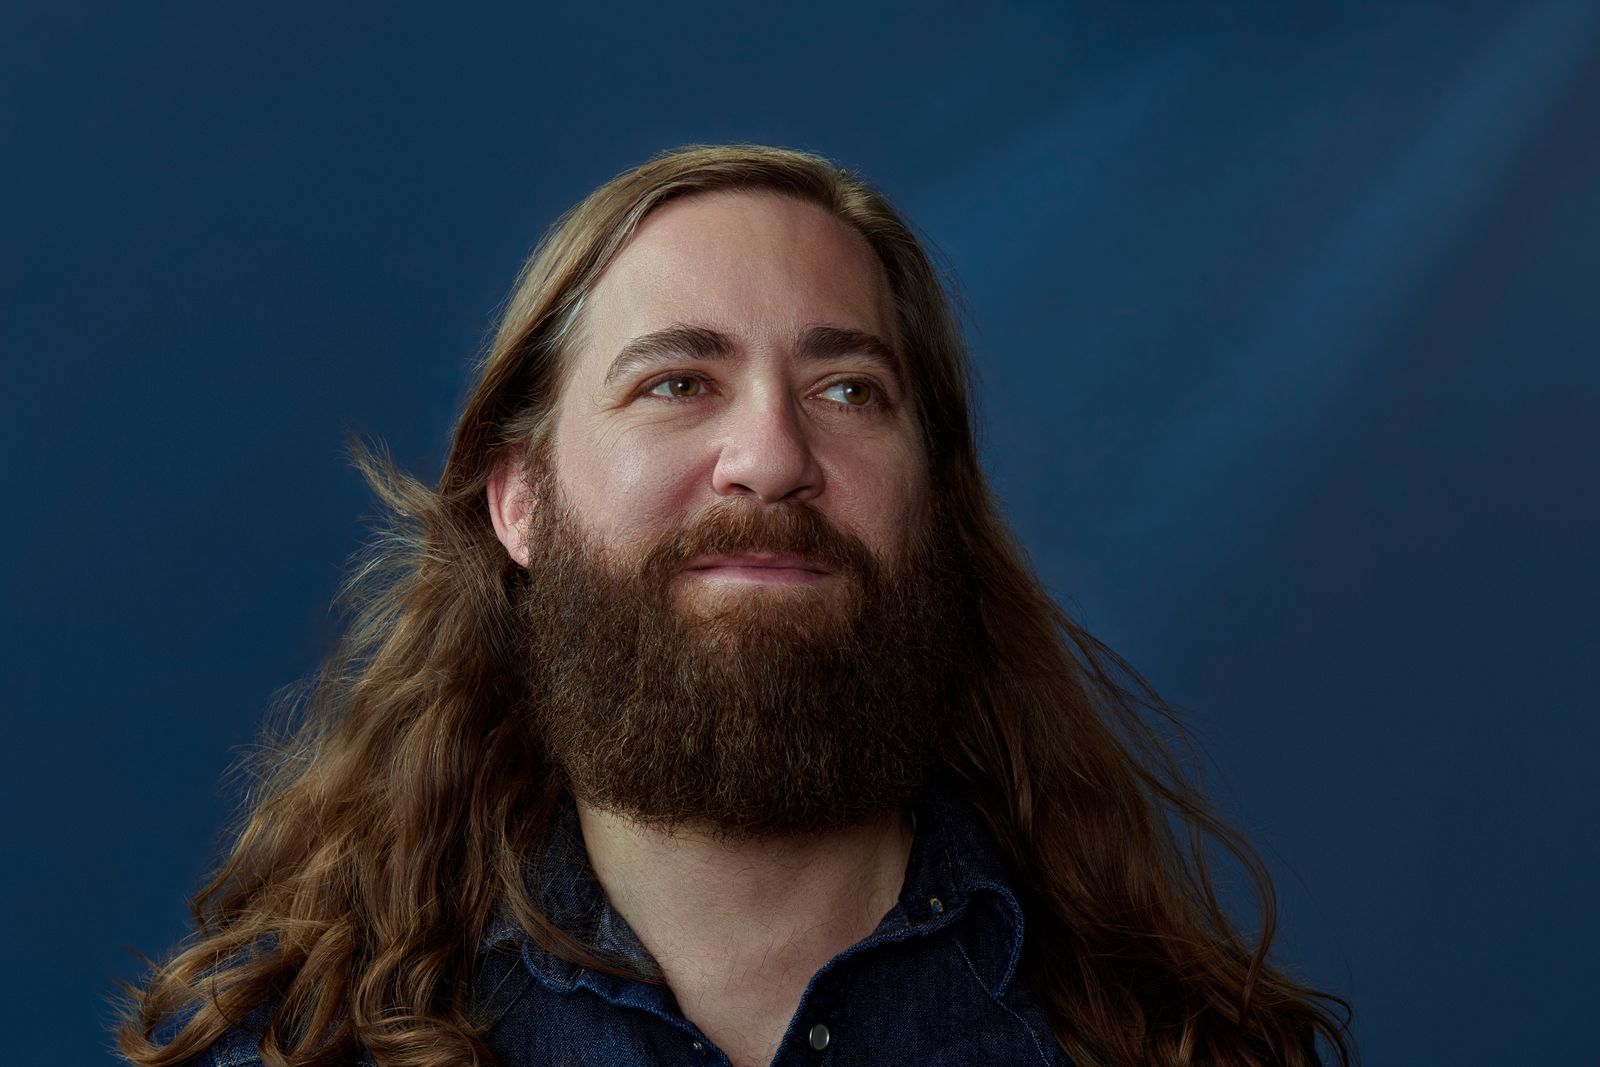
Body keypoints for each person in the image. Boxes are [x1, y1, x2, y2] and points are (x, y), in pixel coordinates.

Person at [117, 144, 1353, 1067]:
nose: (770, 456)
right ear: (520, 502)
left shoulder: (1177, 1045)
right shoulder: (299, 1051)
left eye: (849, 389)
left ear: (934, 502)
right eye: (677, 381)